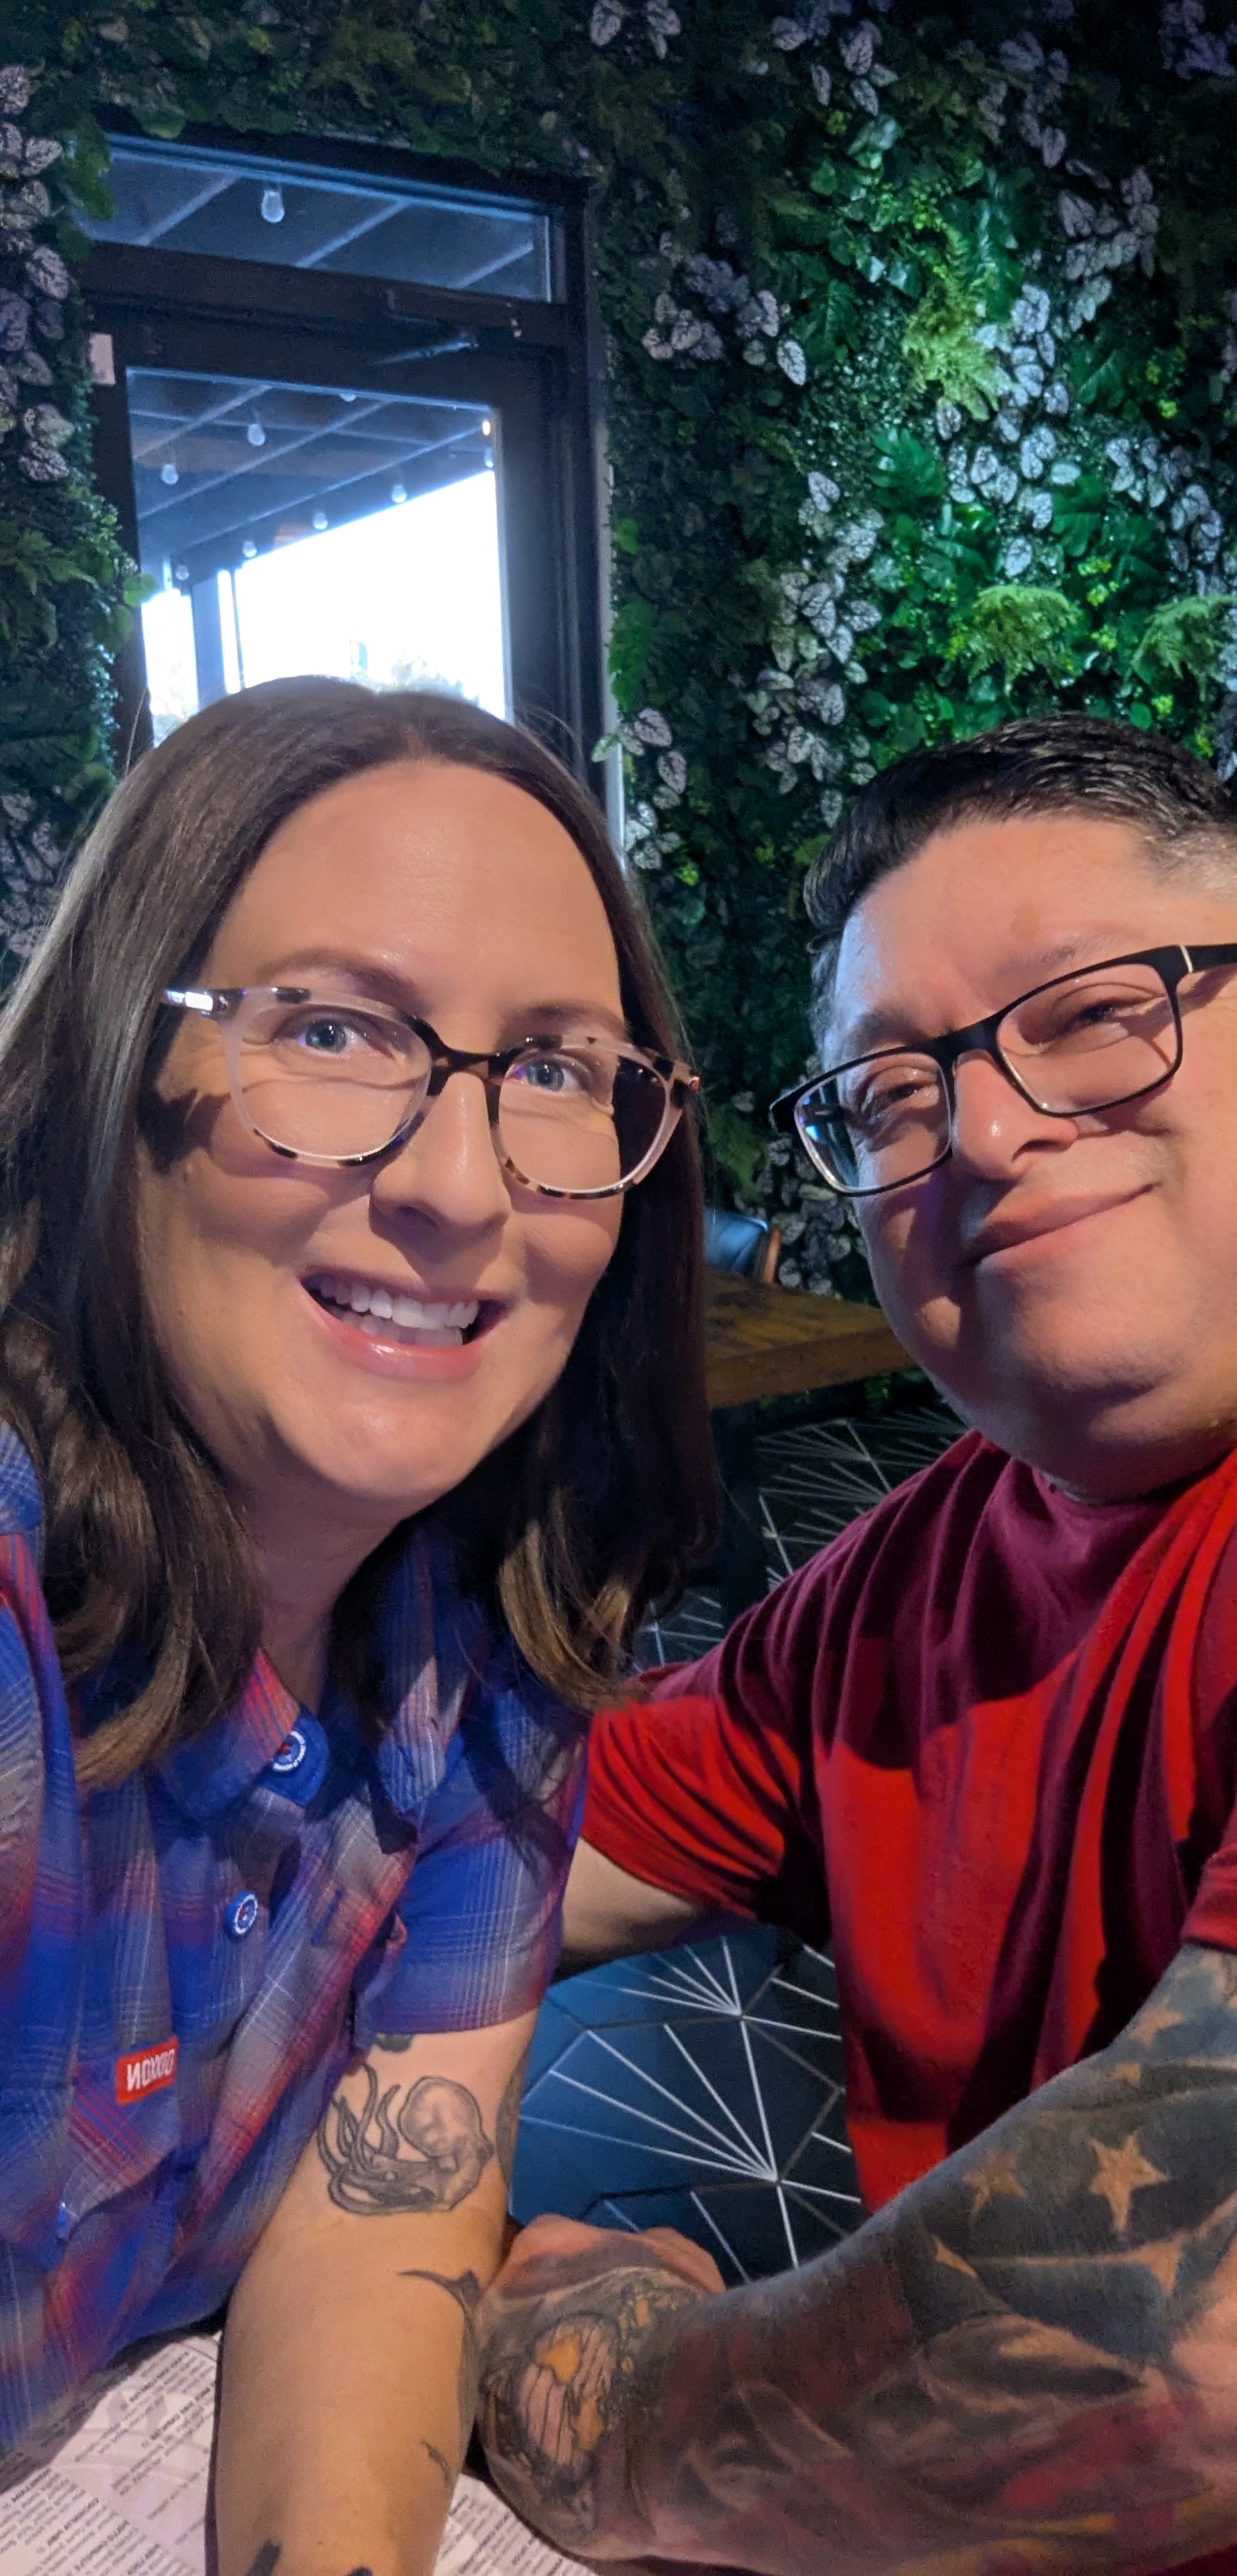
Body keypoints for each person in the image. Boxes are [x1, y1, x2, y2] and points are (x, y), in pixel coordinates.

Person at [473, 716, 1237, 2576]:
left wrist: (600, 2400)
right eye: (891, 1097)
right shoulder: (921, 1570)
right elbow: (494, 1851)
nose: (987, 1135)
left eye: (1091, 1015)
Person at [0, 676, 714, 2576]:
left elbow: (378, 2221)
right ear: (115, 1064)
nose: (463, 1189)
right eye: (331, 1030)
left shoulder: (478, 1644)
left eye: (556, 1069)